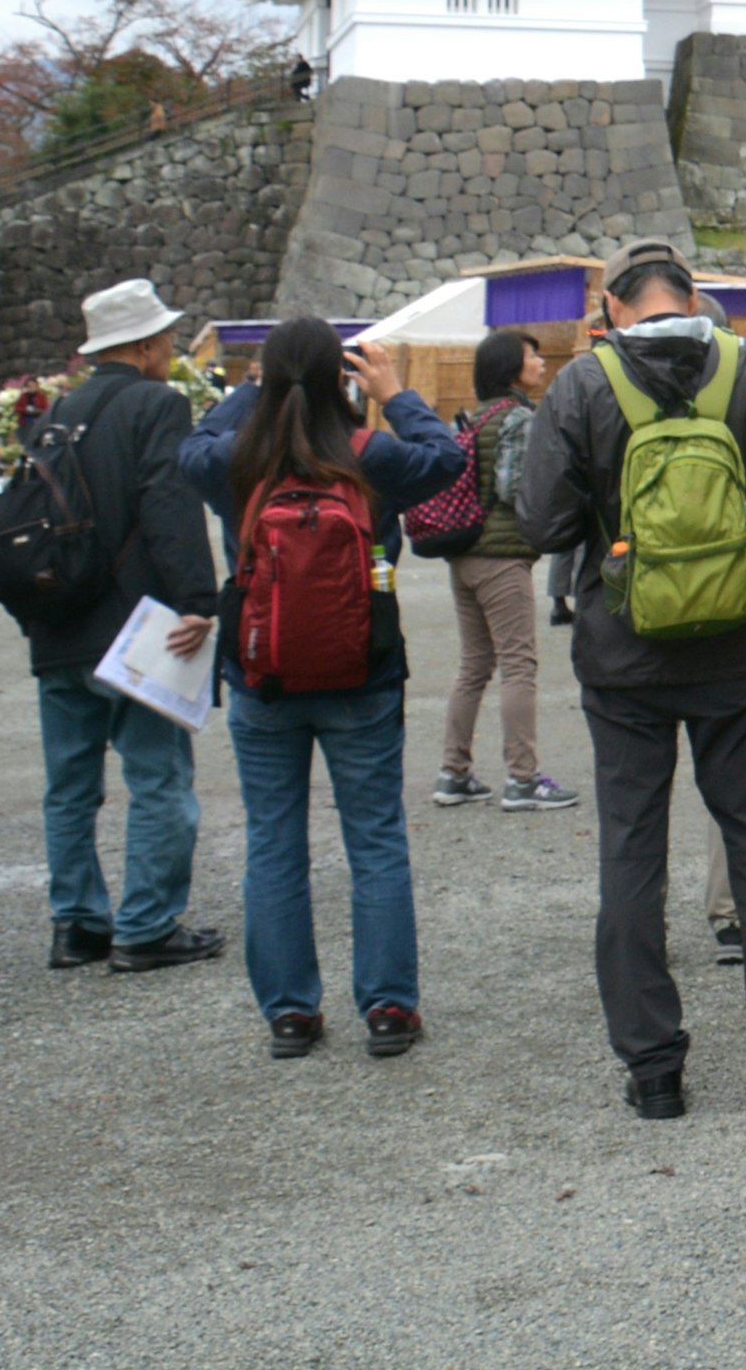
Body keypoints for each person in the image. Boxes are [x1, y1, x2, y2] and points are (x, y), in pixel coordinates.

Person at [521, 245, 746, 1118]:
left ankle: (654, 1068)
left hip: (622, 653)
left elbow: (545, 522)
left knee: (631, 845)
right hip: (734, 646)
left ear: (614, 309)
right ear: (694, 298)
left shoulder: (583, 385)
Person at [181, 318, 468, 1058]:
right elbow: (444, 459)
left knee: (273, 842)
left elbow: (187, 449)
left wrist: (251, 392)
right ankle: (388, 1008)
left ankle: (290, 1013)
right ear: (342, 379)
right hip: (361, 668)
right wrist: (396, 393)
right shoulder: (369, 456)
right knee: (374, 838)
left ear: (268, 381)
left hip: (260, 671)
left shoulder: (236, 460)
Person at [11, 278, 222, 975]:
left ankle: (77, 923)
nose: (169, 348)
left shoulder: (59, 411)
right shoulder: (154, 404)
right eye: (164, 337)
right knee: (157, 777)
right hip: (132, 627)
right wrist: (197, 597)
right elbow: (169, 502)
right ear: (145, 344)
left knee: (70, 786)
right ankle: (147, 923)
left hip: (57, 622)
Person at [433, 329, 573, 813]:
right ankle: (523, 778)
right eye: (532, 355)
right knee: (518, 663)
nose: (539, 361)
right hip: (501, 558)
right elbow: (517, 488)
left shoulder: (475, 418)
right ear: (513, 368)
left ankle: (454, 773)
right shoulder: (518, 419)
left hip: (464, 554)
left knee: (474, 664)